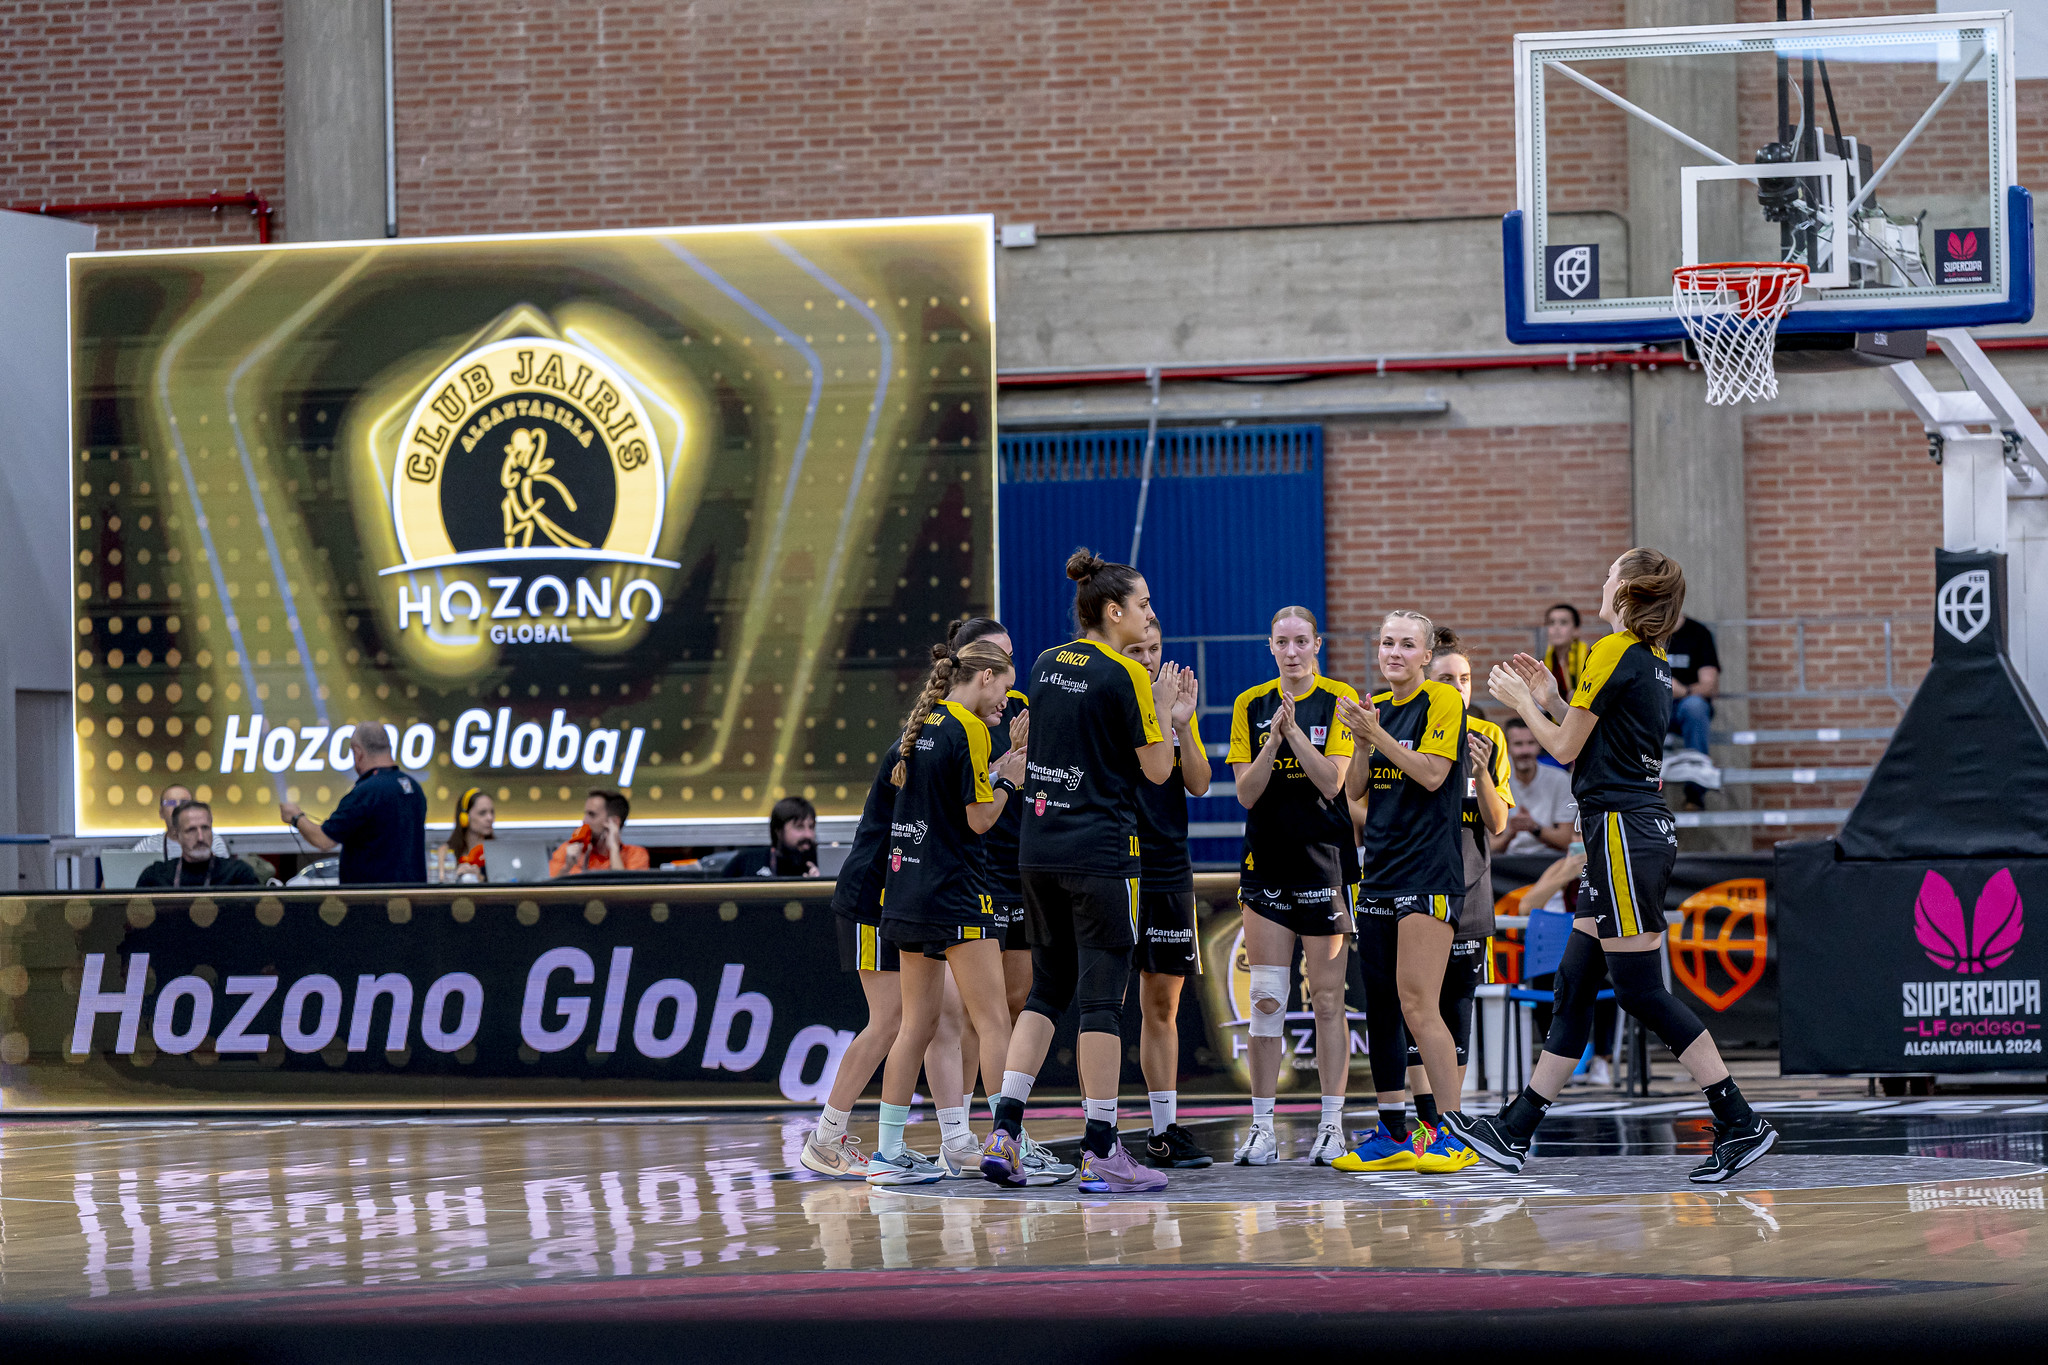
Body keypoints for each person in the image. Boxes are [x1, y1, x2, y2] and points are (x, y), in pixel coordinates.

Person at [1448, 548, 1778, 1183]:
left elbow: (1567, 747)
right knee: (1575, 979)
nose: (1600, 583)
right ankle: (1517, 1129)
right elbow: (1603, 732)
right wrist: (1549, 692)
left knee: (1639, 990)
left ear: (1627, 590)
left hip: (1622, 833)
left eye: (1609, 575)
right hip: (1621, 833)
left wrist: (1523, 703)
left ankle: (1738, 1119)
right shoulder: (1649, 658)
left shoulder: (1612, 648)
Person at [981, 548, 1181, 1195]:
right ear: (1113, 610)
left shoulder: (1043, 663)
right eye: (1144, 605)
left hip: (1038, 851)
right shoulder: (1126, 676)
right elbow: (1157, 769)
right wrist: (1166, 712)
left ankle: (1004, 1131)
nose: (1151, 617)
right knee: (1099, 1001)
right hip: (1101, 855)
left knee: (1046, 991)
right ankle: (1101, 1148)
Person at [866, 639, 1028, 1185]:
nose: (1006, 700)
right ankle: (1010, 1144)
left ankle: (888, 1153)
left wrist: (998, 770)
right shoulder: (970, 728)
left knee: (917, 1025)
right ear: (983, 676)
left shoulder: (921, 725)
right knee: (993, 1020)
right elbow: (980, 819)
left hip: (908, 894)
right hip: (958, 894)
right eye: (1004, 687)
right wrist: (1011, 778)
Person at [1332, 611, 1474, 1175]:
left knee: (1420, 1004)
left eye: (1406, 644)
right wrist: (1364, 738)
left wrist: (1376, 735)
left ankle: (1453, 1130)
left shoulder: (1443, 703)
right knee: (1383, 1008)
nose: (1394, 652)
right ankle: (1393, 1134)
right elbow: (1358, 787)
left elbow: (1434, 776)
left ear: (1425, 653)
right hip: (1381, 872)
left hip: (1428, 874)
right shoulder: (1380, 711)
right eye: (1387, 642)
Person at [1225, 606, 1358, 1168]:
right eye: (1282, 642)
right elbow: (1246, 793)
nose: (1293, 651)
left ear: (1317, 644)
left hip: (1323, 865)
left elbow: (1333, 781)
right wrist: (1271, 743)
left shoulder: (1340, 697)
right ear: (1270, 647)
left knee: (1328, 999)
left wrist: (1295, 735)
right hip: (1267, 866)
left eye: (1302, 641)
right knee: (1266, 998)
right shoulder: (1250, 704)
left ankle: (1331, 1125)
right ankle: (1261, 1128)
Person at [1402, 630, 1514, 1133]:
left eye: (1465, 679)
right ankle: (1426, 1117)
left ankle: (1453, 1121)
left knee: (1457, 1004)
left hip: (1470, 889)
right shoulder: (1409, 729)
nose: (1458, 687)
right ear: (1428, 679)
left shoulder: (1490, 736)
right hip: (1417, 884)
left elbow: (1498, 824)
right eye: (1447, 678)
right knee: (1417, 1002)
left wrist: (1483, 774)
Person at [1128, 619, 1214, 1170]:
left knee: (1164, 1003)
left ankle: (1164, 1130)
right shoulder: (1110, 702)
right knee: (1104, 1004)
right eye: (1136, 649)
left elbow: (1199, 783)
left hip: (1167, 867)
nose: (1148, 658)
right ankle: (1101, 1129)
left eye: (1155, 649)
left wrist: (1181, 726)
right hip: (1116, 866)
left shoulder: (1176, 703)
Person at [279, 724, 427, 885]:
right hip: (412, 897)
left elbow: (324, 840)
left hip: (371, 900)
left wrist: (296, 817)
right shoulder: (413, 787)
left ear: (357, 752)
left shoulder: (366, 792)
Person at [1493, 717, 1577, 856]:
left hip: (1548, 859)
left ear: (1539, 745)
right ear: (1507, 747)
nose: (1525, 751)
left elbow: (1567, 840)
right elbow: (1487, 846)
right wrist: (1511, 834)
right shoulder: (1496, 780)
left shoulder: (1560, 779)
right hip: (1506, 863)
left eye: (1530, 743)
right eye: (1518, 744)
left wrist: (1534, 828)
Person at [1664, 613, 1722, 809]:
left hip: (1685, 705)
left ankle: (1695, 791)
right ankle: (1641, 792)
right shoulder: (1644, 631)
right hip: (1654, 705)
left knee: (1695, 706)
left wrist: (1683, 691)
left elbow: (1711, 686)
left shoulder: (1698, 632)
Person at [137, 801, 259, 888]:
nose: (200, 838)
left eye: (205, 828)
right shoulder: (155, 876)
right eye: (191, 830)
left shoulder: (238, 874)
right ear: (177, 834)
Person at [549, 790, 650, 876]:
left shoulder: (636, 854)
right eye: (585, 814)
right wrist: (567, 867)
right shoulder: (567, 851)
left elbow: (624, 892)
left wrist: (614, 850)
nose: (584, 821)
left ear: (613, 822)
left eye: (592, 815)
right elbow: (549, 892)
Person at [134, 783, 228, 862]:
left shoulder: (214, 842)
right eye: (171, 803)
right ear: (161, 813)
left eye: (184, 802)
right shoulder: (148, 846)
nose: (177, 807)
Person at [446, 787, 496, 879]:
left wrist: (480, 879)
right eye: (482, 813)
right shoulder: (447, 853)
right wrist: (455, 878)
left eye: (492, 812)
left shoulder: (499, 852)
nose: (490, 818)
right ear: (464, 817)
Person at [1542, 603, 1589, 700]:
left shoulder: (1589, 658)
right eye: (1551, 623)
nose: (1556, 628)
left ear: (1576, 630)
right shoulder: (1546, 661)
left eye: (1563, 622)